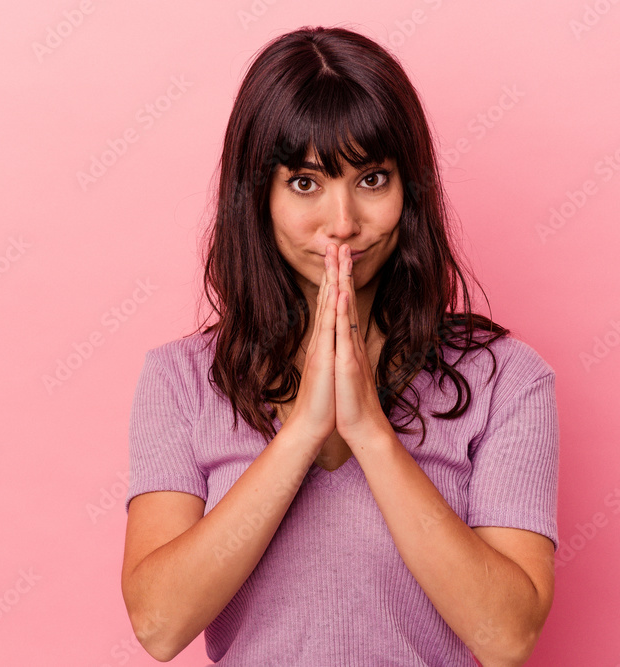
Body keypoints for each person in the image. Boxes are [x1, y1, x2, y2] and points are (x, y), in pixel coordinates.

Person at [120, 25, 559, 667]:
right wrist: (302, 431)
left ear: (411, 190)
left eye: (373, 179)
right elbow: (159, 626)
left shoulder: (508, 379)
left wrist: (370, 433)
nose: (344, 223)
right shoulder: (180, 379)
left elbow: (507, 637)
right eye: (305, 183)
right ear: (258, 197)